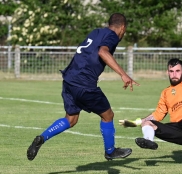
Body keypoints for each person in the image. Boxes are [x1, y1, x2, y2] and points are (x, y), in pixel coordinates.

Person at [27, 13, 139, 161]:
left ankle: (42, 138)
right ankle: (110, 151)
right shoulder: (112, 35)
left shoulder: (96, 32)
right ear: (122, 28)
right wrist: (123, 74)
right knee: (108, 116)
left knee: (71, 119)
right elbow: (102, 52)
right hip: (84, 83)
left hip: (69, 80)